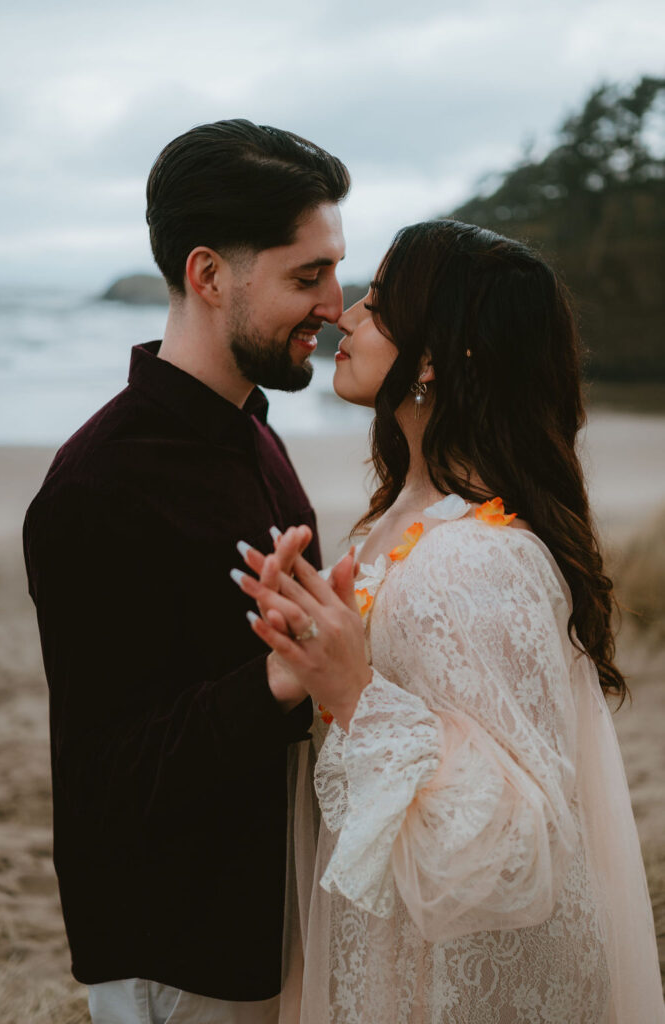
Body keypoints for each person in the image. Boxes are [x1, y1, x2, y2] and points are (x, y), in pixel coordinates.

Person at [234, 220, 665, 1022]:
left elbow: (517, 845)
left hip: (449, 984)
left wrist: (355, 692)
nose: (346, 315)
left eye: (378, 301)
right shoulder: (399, 520)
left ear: (431, 357)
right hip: (389, 941)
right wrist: (306, 638)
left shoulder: (477, 560)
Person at [22, 119, 349, 1024]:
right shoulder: (100, 489)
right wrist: (279, 676)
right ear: (209, 276)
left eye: (333, 272)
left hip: (273, 915)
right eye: (306, 276)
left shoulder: (252, 430)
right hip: (181, 954)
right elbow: (107, 780)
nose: (334, 304)